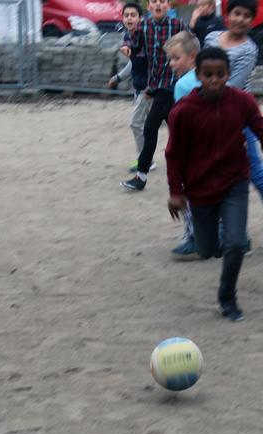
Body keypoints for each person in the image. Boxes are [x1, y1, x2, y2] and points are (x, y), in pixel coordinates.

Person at [165, 47, 263, 322]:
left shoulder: (242, 101)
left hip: (235, 182)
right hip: (199, 188)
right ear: (198, 76)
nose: (214, 80)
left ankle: (227, 298)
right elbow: (174, 155)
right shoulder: (183, 111)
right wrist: (176, 192)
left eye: (220, 74)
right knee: (207, 250)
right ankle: (214, 242)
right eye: (208, 75)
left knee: (235, 243)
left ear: (228, 74)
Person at [200, 0, 263, 257]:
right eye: (237, 13)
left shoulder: (248, 50)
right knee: (220, 175)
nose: (240, 19)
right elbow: (200, 69)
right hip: (212, 117)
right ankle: (238, 235)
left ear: (252, 21)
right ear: (228, 15)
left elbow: (231, 85)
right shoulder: (211, 38)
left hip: (238, 118)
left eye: (247, 16)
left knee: (256, 174)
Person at [120, 0, 188, 192]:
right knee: (177, 129)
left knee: (150, 127)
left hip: (173, 84)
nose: (158, 4)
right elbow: (133, 44)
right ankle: (189, 172)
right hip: (155, 86)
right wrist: (128, 47)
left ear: (168, 5)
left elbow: (194, 46)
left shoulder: (178, 25)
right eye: (154, 1)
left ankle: (141, 176)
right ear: (149, 6)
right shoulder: (143, 27)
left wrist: (186, 64)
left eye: (162, 1)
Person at [164, 31, 201, 258]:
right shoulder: (212, 76)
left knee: (188, 193)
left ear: (193, 56)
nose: (171, 63)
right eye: (170, 58)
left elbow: (180, 122)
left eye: (176, 58)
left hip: (192, 150)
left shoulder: (182, 85)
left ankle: (193, 236)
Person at [107, 2, 155, 174]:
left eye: (133, 15)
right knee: (151, 124)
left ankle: (145, 160)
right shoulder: (128, 37)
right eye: (126, 15)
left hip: (150, 90)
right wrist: (118, 77)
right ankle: (147, 159)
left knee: (136, 124)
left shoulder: (146, 36)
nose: (129, 18)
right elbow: (133, 63)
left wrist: (151, 87)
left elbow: (155, 63)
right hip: (141, 89)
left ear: (140, 18)